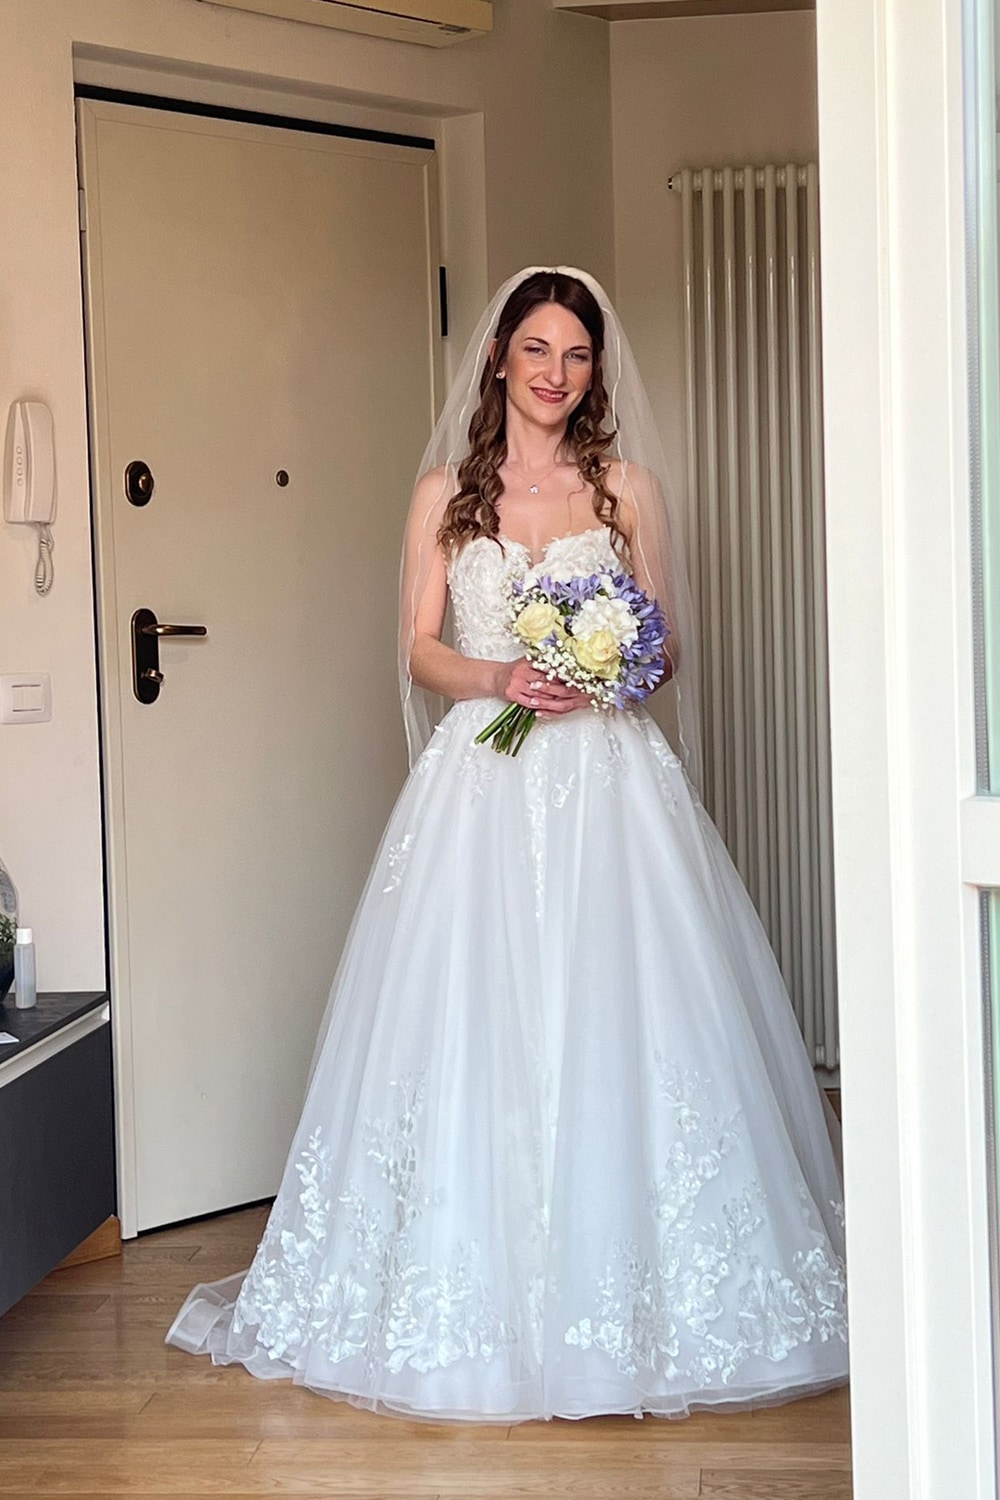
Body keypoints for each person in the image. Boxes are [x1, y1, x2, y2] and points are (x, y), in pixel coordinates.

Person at [166, 267, 848, 1422]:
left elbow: (666, 642)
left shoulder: (627, 489)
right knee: (469, 1017)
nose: (554, 373)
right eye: (536, 349)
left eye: (575, 355)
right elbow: (417, 646)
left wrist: (605, 661)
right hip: (483, 777)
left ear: (595, 370)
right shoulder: (445, 493)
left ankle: (639, 1295)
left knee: (620, 1011)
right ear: (497, 358)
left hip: (608, 784)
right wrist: (501, 676)